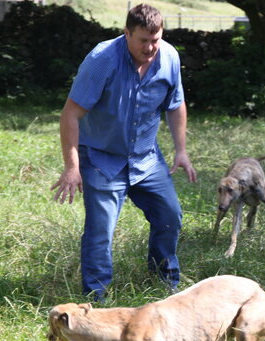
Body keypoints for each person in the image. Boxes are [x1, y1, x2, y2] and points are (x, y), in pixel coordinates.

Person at [51, 3, 196, 301]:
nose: (150, 47)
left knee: (170, 216)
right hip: (101, 158)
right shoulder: (102, 60)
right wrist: (72, 167)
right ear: (126, 33)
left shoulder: (169, 56)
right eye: (143, 40)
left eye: (155, 39)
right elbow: (70, 115)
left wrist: (181, 151)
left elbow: (175, 104)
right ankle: (96, 299)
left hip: (146, 157)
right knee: (100, 232)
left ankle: (164, 282)